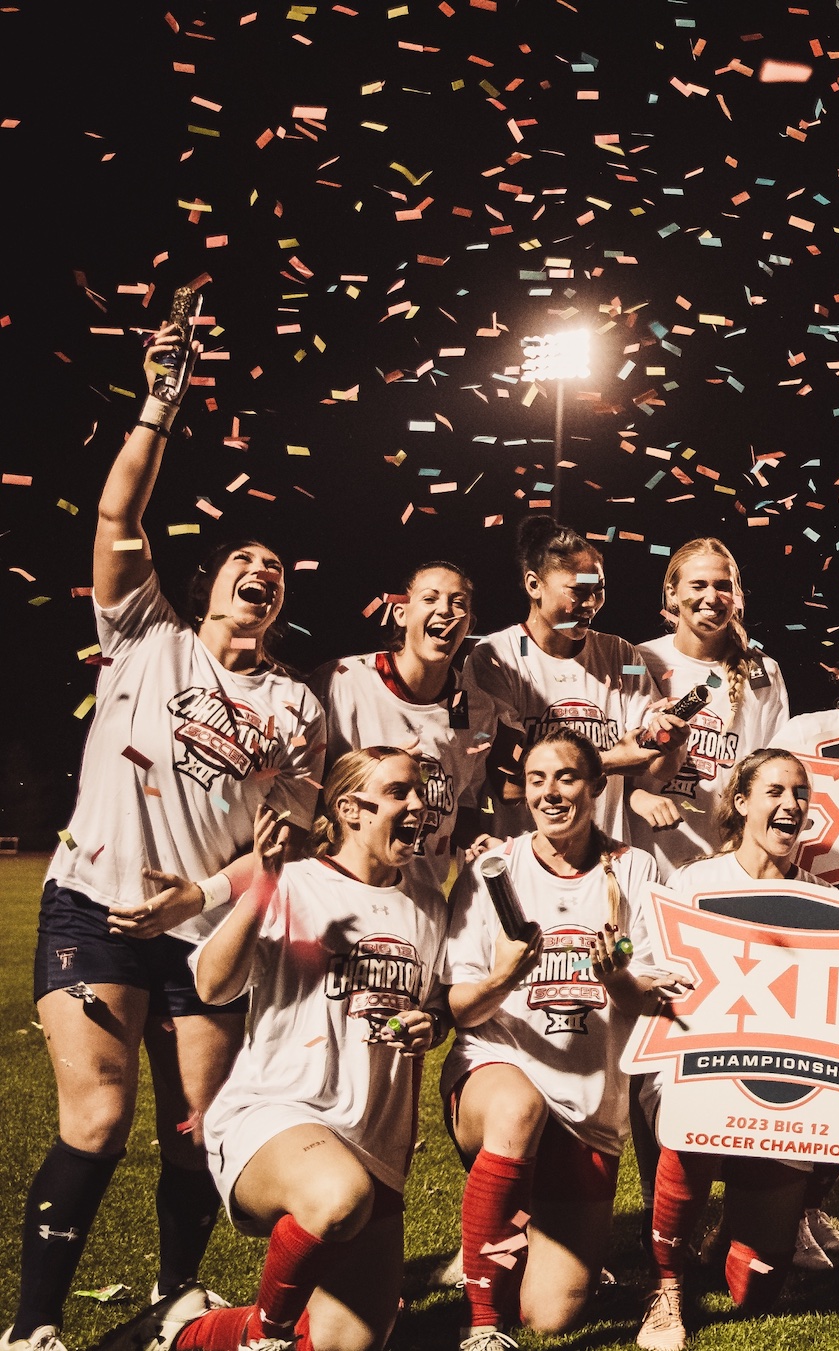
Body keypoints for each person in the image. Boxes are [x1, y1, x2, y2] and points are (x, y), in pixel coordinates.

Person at [18, 317, 325, 1351]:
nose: (261, 570)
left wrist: (197, 898)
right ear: (211, 584)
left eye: (276, 567)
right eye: (245, 557)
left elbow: (287, 836)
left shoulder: (294, 704)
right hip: (96, 907)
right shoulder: (146, 631)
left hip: (205, 930)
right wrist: (160, 402)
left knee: (197, 1129)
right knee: (97, 1124)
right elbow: (118, 509)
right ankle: (34, 1328)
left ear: (280, 604)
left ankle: (177, 1293)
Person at [147, 751, 448, 1351]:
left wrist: (431, 1025)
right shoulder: (296, 880)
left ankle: (181, 1336)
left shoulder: (428, 904)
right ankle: (266, 1336)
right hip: (279, 1115)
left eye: (420, 793)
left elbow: (435, 1001)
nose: (418, 806)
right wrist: (261, 884)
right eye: (398, 793)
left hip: (375, 1139)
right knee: (337, 1196)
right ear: (350, 811)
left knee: (349, 1343)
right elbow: (211, 984)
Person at [444, 730, 683, 1351]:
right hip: (498, 1073)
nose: (551, 792)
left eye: (568, 778)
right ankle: (483, 1327)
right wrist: (505, 976)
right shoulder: (495, 870)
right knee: (517, 1107)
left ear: (597, 787)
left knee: (552, 1316)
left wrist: (619, 977)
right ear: (522, 789)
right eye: (538, 779)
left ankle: (513, 1231)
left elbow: (647, 998)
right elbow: (462, 1010)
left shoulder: (634, 868)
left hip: (588, 1104)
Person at [637, 750, 839, 1351]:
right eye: (775, 792)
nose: (790, 805)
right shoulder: (695, 883)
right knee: (697, 1105)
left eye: (800, 794)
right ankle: (665, 1288)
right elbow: (658, 983)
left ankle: (732, 1225)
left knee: (756, 1291)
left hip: (782, 1085)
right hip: (702, 1072)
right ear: (740, 802)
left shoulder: (824, 901)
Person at [469, 517, 670, 844]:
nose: (591, 604)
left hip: (604, 861)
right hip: (525, 864)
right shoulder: (497, 656)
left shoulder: (620, 655)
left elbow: (653, 757)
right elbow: (509, 783)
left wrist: (667, 733)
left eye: (599, 591)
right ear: (534, 585)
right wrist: (608, 760)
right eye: (578, 591)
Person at [316, 561, 498, 907]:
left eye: (458, 603)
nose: (445, 610)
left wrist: (480, 841)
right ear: (400, 613)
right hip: (342, 891)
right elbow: (306, 792)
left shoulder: (478, 710)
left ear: (469, 625)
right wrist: (377, 771)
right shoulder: (344, 681)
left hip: (422, 901)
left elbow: (462, 805)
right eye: (430, 599)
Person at [634, 539, 789, 870]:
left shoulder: (764, 672)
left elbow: (772, 775)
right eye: (698, 585)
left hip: (725, 862)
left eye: (723, 586)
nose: (711, 597)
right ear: (672, 594)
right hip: (644, 857)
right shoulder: (639, 660)